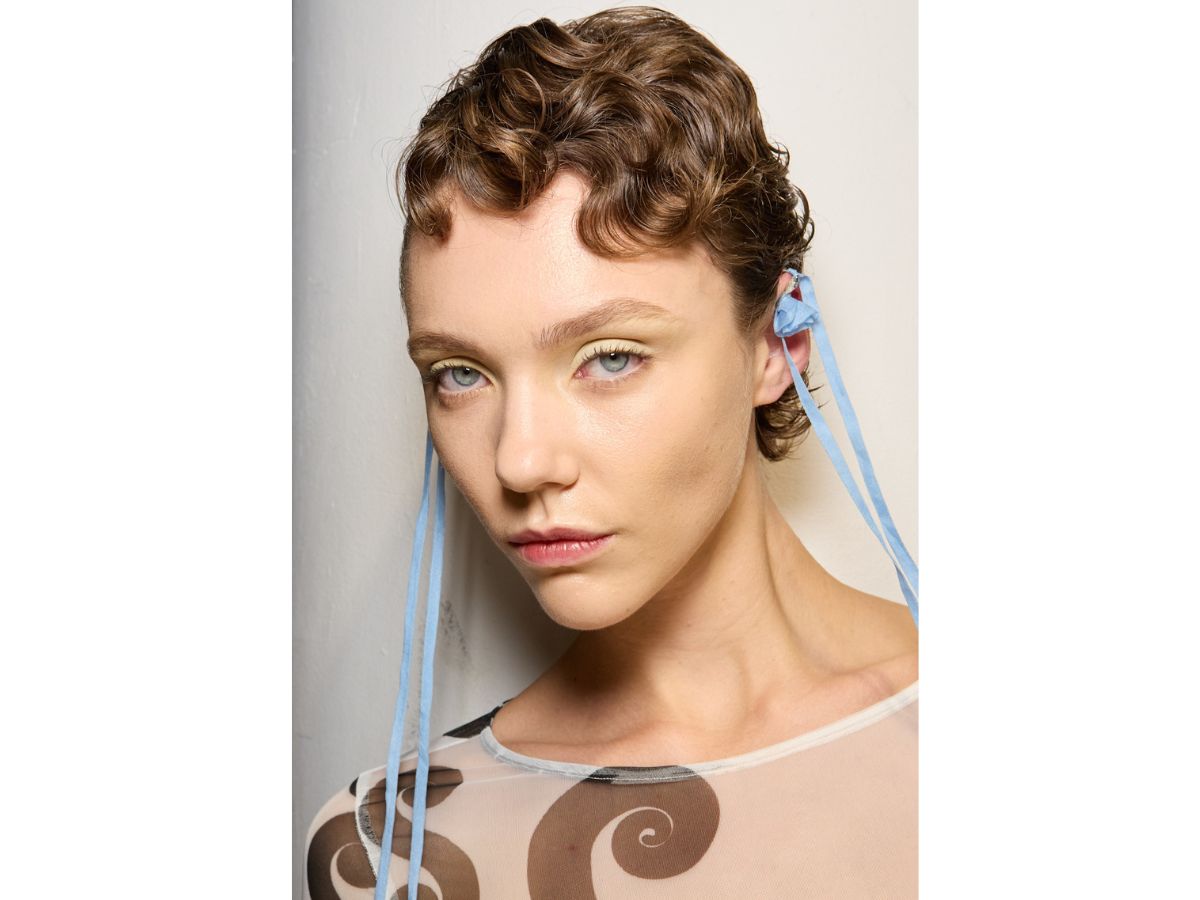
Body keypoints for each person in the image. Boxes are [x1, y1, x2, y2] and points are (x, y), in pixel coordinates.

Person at [305, 7, 918, 898]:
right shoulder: (394, 850)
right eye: (460, 374)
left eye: (611, 357)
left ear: (775, 348)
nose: (520, 462)